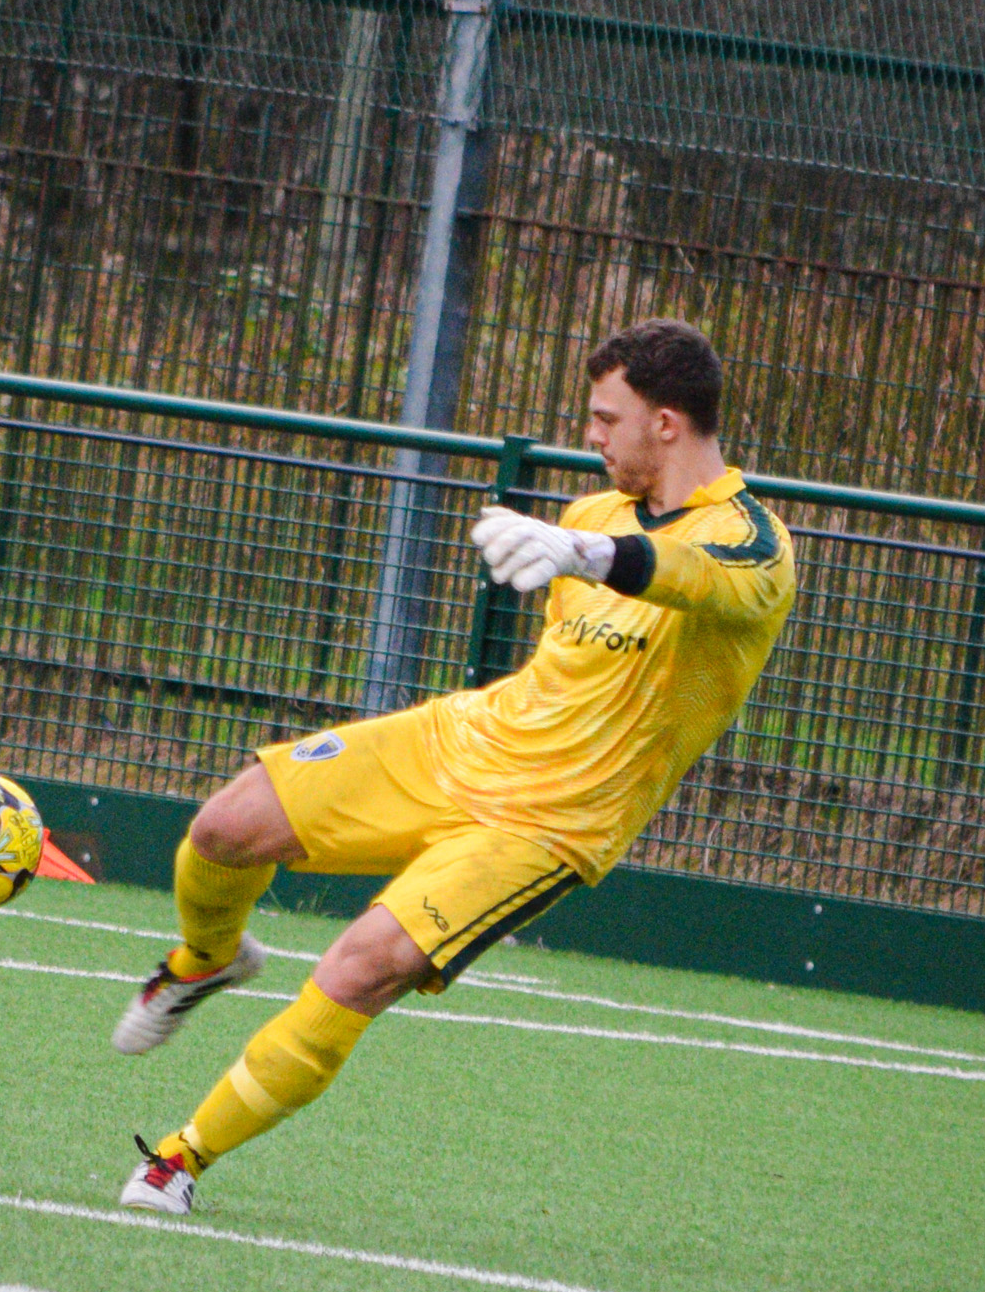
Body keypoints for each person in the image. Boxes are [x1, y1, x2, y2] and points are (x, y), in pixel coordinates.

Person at [112, 317, 795, 1214]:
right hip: (461, 741)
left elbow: (693, 574)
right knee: (224, 827)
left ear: (666, 423)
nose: (590, 436)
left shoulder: (757, 543)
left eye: (604, 417)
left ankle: (178, 1160)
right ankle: (207, 957)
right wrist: (579, 543)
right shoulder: (592, 512)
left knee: (358, 968)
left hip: (546, 824)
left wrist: (588, 554)